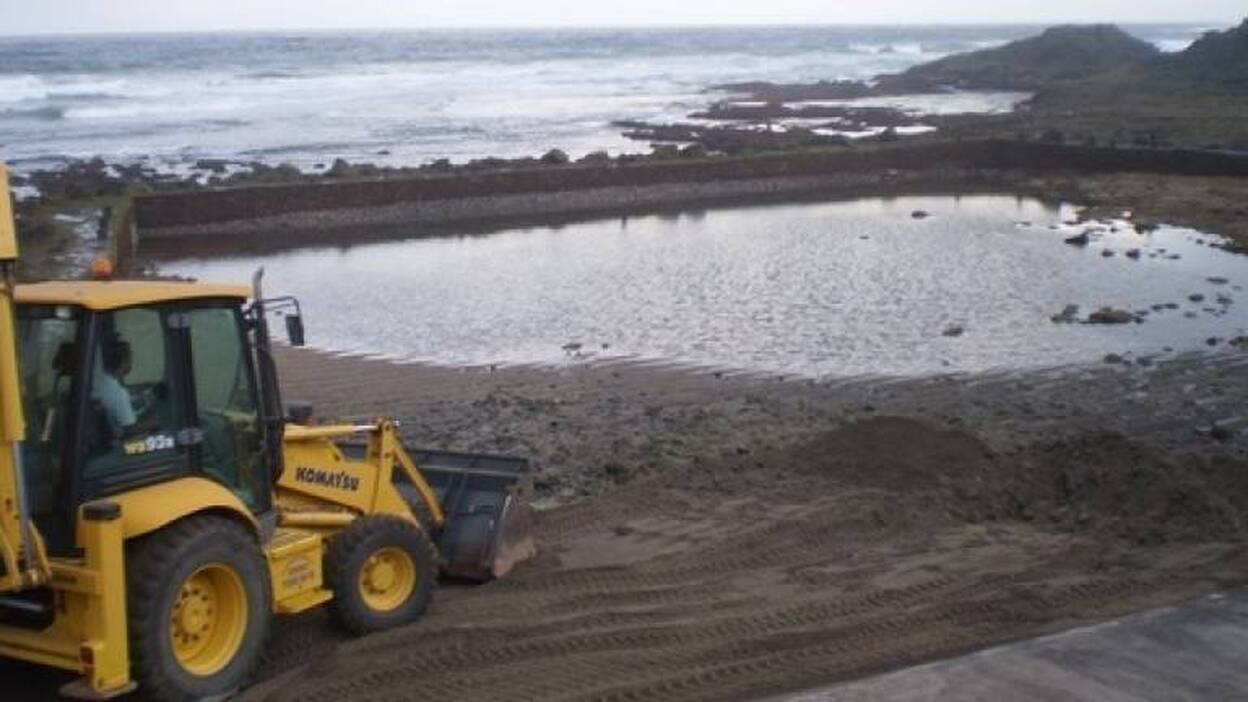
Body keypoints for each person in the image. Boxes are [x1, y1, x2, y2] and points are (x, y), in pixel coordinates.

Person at [93, 338, 136, 439]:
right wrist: (156, 422)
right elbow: (130, 428)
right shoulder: (118, 394)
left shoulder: (97, 381)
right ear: (122, 361)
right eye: (129, 357)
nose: (131, 360)